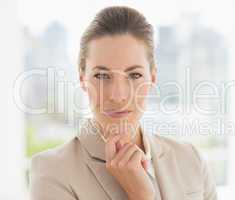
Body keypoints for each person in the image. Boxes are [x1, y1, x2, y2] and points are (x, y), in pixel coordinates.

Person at [29, 5, 218, 200]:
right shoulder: (52, 171)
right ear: (82, 79)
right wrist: (140, 195)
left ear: (152, 78)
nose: (118, 96)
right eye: (102, 75)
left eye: (134, 75)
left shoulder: (190, 158)